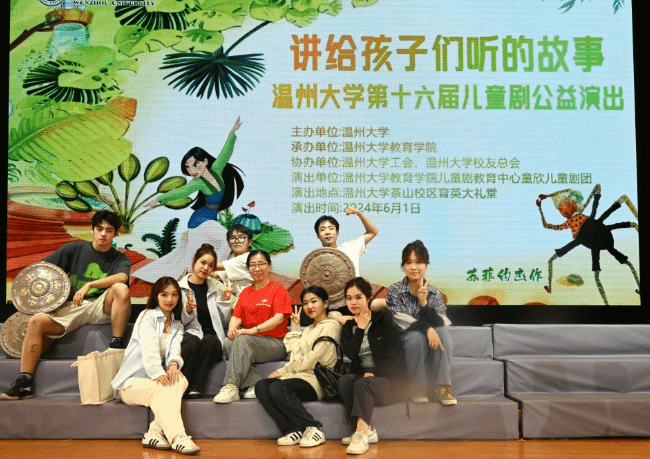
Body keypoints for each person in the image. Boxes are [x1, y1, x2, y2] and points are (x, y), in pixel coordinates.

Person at [1, 210, 131, 400]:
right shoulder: (74, 249)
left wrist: (90, 285)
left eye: (109, 230)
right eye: (99, 229)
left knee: (120, 288)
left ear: (116, 233)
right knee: (36, 321)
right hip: (71, 307)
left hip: (100, 306)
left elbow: (122, 277)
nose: (103, 234)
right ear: (92, 229)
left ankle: (116, 344)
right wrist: (50, 302)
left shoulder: (120, 258)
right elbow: (42, 272)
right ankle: (25, 382)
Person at [133, 117, 244, 281]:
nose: (192, 170)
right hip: (200, 222)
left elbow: (225, 153)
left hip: (208, 220)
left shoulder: (217, 171)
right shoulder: (197, 182)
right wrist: (159, 200)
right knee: (226, 240)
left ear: (205, 161)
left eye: (195, 164)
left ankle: (211, 274)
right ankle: (214, 274)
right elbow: (181, 192)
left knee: (192, 257)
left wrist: (232, 132)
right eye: (188, 167)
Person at [111, 277, 200, 455]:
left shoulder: (177, 324)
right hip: (131, 382)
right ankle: (178, 437)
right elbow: (149, 347)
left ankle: (154, 433)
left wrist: (173, 365)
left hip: (155, 379)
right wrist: (157, 373)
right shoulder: (147, 316)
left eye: (174, 295)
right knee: (164, 389)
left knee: (180, 380)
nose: (169, 299)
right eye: (164, 294)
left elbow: (175, 348)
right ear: (156, 296)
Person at [255, 286, 342, 447]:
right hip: (299, 376)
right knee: (261, 386)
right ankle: (291, 430)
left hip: (317, 380)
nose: (309, 306)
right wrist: (295, 327)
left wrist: (283, 370)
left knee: (277, 388)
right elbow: (295, 354)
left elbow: (314, 358)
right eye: (305, 303)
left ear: (325, 303)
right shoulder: (309, 329)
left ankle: (314, 427)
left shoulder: (331, 326)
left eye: (314, 301)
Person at [213, 250, 292, 403]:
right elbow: (237, 316)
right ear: (248, 268)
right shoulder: (245, 292)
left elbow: (278, 318)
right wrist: (232, 329)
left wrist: (253, 330)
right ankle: (254, 383)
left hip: (275, 343)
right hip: (251, 340)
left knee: (242, 340)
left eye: (261, 264)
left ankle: (231, 386)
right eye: (252, 265)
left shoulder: (278, 289)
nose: (257, 268)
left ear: (269, 266)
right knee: (228, 343)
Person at [338, 277, 405, 455]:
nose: (353, 302)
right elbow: (351, 355)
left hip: (389, 381)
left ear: (368, 298)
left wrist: (374, 373)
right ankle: (364, 430)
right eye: (349, 298)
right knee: (345, 381)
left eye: (358, 297)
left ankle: (360, 433)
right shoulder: (348, 327)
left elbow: (396, 355)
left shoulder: (384, 320)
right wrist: (360, 329)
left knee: (362, 383)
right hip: (365, 380)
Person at [385, 240, 456, 406]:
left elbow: (441, 321)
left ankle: (442, 388)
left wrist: (424, 303)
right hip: (405, 338)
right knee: (415, 337)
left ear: (426, 265)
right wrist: (427, 328)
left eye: (418, 262)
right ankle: (417, 389)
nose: (413, 267)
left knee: (443, 333)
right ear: (403, 265)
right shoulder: (395, 290)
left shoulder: (434, 293)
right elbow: (399, 319)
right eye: (408, 262)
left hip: (432, 340)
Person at [312, 207, 386, 325]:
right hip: (337, 308)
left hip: (361, 302)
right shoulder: (315, 261)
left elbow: (373, 232)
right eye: (323, 229)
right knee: (334, 317)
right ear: (318, 235)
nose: (327, 232)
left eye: (331, 228)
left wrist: (358, 213)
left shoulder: (350, 248)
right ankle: (364, 320)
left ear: (337, 233)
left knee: (386, 304)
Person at [178, 244, 229, 399]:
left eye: (211, 265)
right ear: (194, 261)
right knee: (192, 342)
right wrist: (187, 310)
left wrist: (224, 301)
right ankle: (181, 386)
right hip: (189, 334)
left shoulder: (215, 290)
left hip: (211, 338)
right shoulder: (178, 289)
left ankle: (196, 387)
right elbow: (175, 322)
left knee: (211, 342)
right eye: (203, 262)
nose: (206, 268)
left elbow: (223, 324)